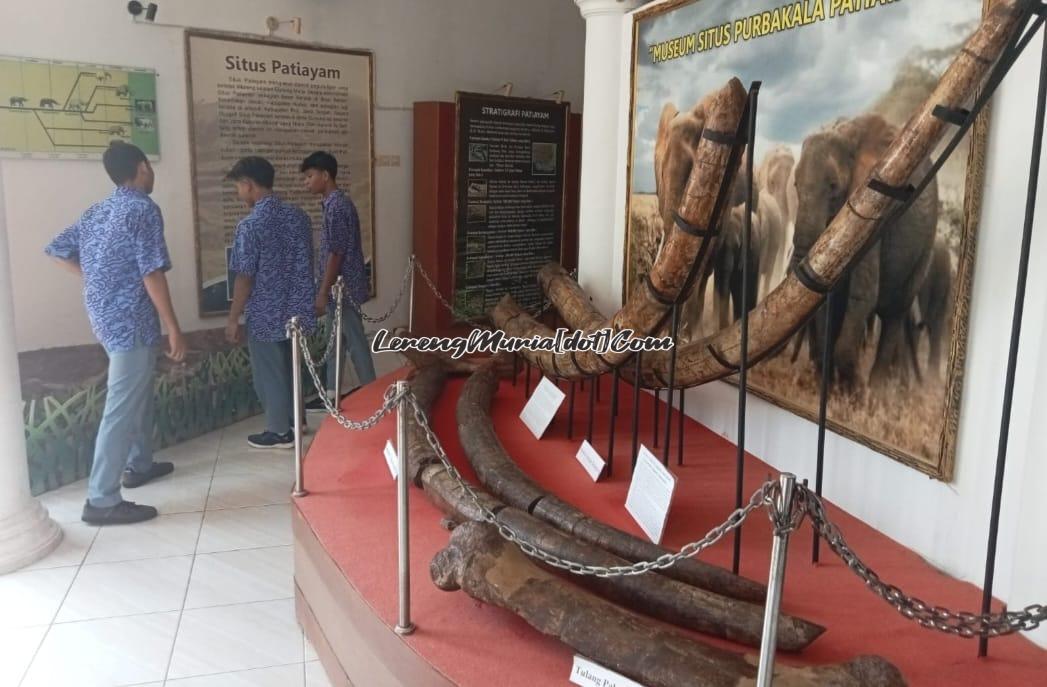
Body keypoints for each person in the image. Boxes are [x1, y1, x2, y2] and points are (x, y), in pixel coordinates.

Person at [45, 141, 185, 526]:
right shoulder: (142, 208)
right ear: (141, 167)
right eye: (150, 166)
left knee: (136, 390)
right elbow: (151, 271)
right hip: (132, 321)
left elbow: (56, 249)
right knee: (122, 405)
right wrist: (174, 327)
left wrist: (94, 276)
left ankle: (140, 464)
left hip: (103, 317)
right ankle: (102, 499)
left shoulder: (97, 211)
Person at [225, 156, 316, 448]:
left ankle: (279, 431)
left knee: (270, 373)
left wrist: (233, 317)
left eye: (239, 187)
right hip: (297, 309)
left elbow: (244, 277)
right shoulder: (299, 217)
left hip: (265, 310)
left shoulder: (250, 226)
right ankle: (297, 421)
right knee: (292, 367)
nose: (239, 194)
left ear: (248, 185)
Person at [300, 151, 376, 413]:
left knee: (355, 342)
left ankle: (373, 393)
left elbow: (337, 252)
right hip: (339, 289)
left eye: (310, 176)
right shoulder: (333, 205)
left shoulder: (337, 207)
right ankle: (331, 396)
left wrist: (323, 291)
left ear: (325, 175)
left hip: (342, 289)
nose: (306, 182)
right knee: (336, 343)